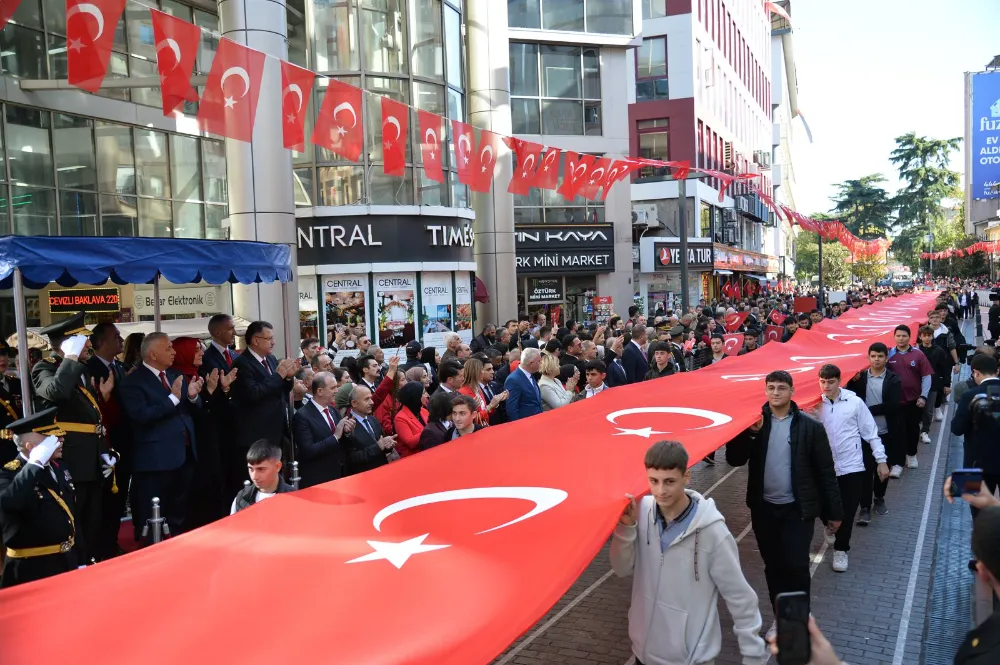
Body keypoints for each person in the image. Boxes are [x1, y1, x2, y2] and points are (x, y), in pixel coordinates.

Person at [610, 441, 766, 665]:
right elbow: (621, 568)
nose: (660, 491)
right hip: (642, 655)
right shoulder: (641, 513)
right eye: (654, 481)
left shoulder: (713, 532)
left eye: (669, 482)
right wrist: (626, 529)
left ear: (687, 477)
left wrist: (753, 657)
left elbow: (740, 598)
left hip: (691, 659)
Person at [726, 370, 842, 609]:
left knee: (797, 565)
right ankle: (781, 615)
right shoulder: (754, 423)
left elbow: (825, 472)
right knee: (774, 565)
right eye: (771, 388)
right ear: (766, 391)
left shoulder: (810, 428)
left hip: (796, 510)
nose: (776, 393)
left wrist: (834, 513)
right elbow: (734, 460)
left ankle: (798, 618)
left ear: (792, 391)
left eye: (781, 388)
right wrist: (750, 434)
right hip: (764, 510)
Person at [31, 311, 115, 565]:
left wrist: (104, 449)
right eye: (83, 340)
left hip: (90, 458)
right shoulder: (45, 368)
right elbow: (55, 392)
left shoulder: (78, 369)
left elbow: (89, 419)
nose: (89, 344)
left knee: (93, 520)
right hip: (72, 460)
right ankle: (75, 565)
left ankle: (89, 560)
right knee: (75, 520)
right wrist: (69, 356)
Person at [120, 333, 202, 544]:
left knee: (178, 511)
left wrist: (192, 396)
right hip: (155, 460)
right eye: (168, 349)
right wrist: (173, 398)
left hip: (183, 453)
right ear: (153, 354)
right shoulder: (133, 382)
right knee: (153, 514)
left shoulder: (174, 374)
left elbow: (188, 410)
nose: (173, 352)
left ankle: (176, 546)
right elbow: (142, 416)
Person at [815, 364, 889, 572]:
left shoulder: (855, 402)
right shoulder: (813, 405)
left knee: (847, 511)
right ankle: (829, 524)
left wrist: (881, 460)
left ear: (840, 381)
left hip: (852, 466)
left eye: (831, 382)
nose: (826, 386)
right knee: (822, 506)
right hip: (824, 468)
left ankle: (841, 550)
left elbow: (870, 432)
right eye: (823, 382)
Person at [0, 408, 79, 588]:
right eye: (51, 440)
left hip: (66, 562)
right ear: (31, 447)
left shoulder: (59, 468)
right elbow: (10, 503)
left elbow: (71, 517)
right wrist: (34, 465)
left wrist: (80, 560)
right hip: (33, 570)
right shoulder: (9, 474)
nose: (61, 441)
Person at [172, 337, 234, 529]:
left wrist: (222, 389)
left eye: (201, 349)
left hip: (210, 439)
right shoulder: (177, 377)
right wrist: (202, 393)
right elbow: (189, 412)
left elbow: (212, 408)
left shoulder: (200, 374)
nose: (201, 353)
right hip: (192, 444)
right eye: (196, 350)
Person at [229, 321, 297, 495]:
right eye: (269, 338)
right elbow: (253, 393)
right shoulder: (242, 363)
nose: (273, 342)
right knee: (258, 482)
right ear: (255, 340)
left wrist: (288, 379)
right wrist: (278, 376)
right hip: (255, 434)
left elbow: (280, 389)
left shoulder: (272, 360)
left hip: (276, 431)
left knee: (276, 480)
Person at [85, 322, 130, 559]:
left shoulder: (120, 367)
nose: (121, 340)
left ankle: (111, 543)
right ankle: (101, 548)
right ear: (101, 342)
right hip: (102, 447)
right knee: (103, 503)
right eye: (115, 336)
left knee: (118, 500)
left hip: (123, 444)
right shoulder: (88, 369)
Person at [846, 342, 902, 522]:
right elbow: (850, 397)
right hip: (862, 435)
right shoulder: (860, 378)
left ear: (886, 358)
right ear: (868, 358)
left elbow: (893, 405)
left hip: (885, 432)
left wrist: (865, 411)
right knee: (865, 470)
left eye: (880, 356)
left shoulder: (894, 379)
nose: (876, 359)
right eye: (873, 356)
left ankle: (879, 497)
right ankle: (864, 507)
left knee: (883, 470)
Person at [952, 353, 1000, 516]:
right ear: (997, 371)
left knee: (978, 515)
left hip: (975, 463)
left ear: (975, 372)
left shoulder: (969, 396)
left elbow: (956, 429)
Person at [292, 371, 356, 488]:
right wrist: (335, 436)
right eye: (333, 388)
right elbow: (308, 450)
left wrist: (346, 432)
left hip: (339, 475)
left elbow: (341, 442)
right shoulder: (302, 416)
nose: (337, 391)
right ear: (320, 391)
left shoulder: (333, 410)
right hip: (318, 480)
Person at [886, 324, 933, 474]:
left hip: (914, 401)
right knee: (898, 432)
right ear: (894, 337)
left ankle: (911, 455)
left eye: (904, 336)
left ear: (909, 337)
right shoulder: (889, 355)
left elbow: (926, 376)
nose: (901, 338)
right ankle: (898, 464)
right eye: (898, 335)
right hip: (895, 402)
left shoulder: (918, 354)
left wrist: (924, 396)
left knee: (913, 430)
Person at [341, 384, 397, 474]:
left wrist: (388, 445)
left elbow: (381, 444)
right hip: (364, 477)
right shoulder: (347, 426)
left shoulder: (373, 419)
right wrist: (378, 447)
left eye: (371, 398)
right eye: (366, 399)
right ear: (354, 403)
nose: (372, 402)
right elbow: (351, 458)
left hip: (383, 472)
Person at [230, 439, 295, 514]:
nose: (254, 477)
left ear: (277, 466)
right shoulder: (241, 498)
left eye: (261, 469)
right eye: (251, 469)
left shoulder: (294, 498)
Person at [504, 348, 543, 421]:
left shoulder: (530, 374)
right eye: (539, 361)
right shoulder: (513, 380)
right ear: (531, 363)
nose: (541, 363)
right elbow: (512, 410)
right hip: (526, 425)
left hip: (538, 420)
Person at [393, 382, 428, 457]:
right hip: (414, 457)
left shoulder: (423, 411)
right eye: (423, 393)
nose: (427, 395)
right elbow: (410, 442)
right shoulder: (400, 418)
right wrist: (429, 430)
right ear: (415, 396)